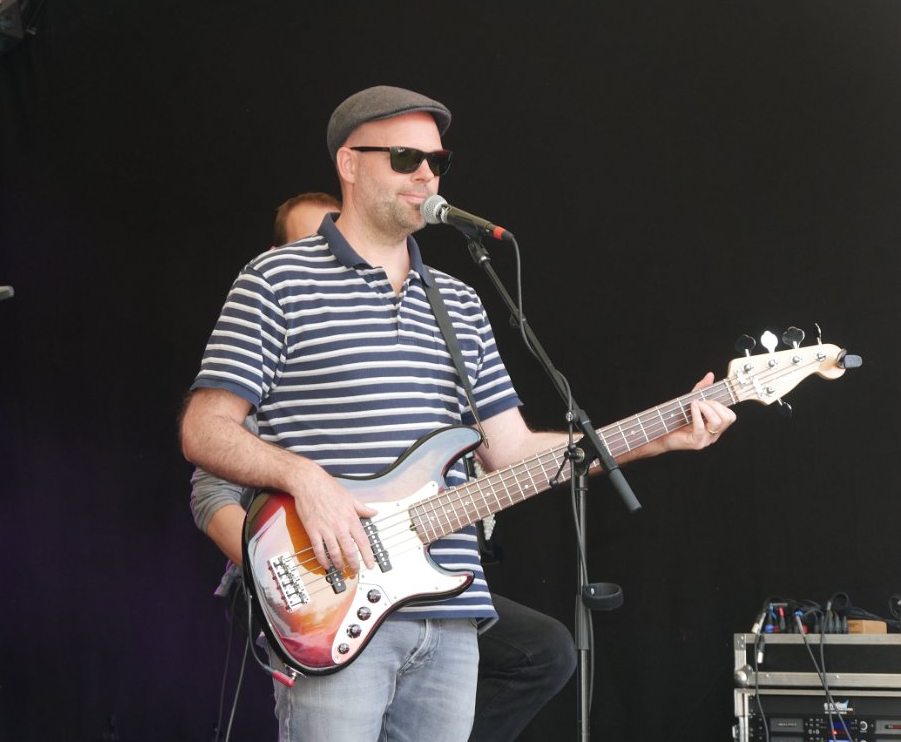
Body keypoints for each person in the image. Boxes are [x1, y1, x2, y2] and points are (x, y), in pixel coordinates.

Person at [181, 85, 735, 741]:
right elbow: (203, 429)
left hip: (450, 618)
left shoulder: (461, 303)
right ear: (349, 164)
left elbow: (513, 452)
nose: (425, 174)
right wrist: (305, 478)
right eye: (405, 157)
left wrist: (660, 437)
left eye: (437, 161)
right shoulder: (275, 280)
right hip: (336, 604)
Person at [190, 190, 577, 740]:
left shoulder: (449, 306)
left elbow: (510, 448)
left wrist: (648, 439)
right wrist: (287, 573)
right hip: (314, 587)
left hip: (423, 589)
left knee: (545, 649)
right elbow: (210, 487)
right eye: (312, 239)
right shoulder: (279, 313)